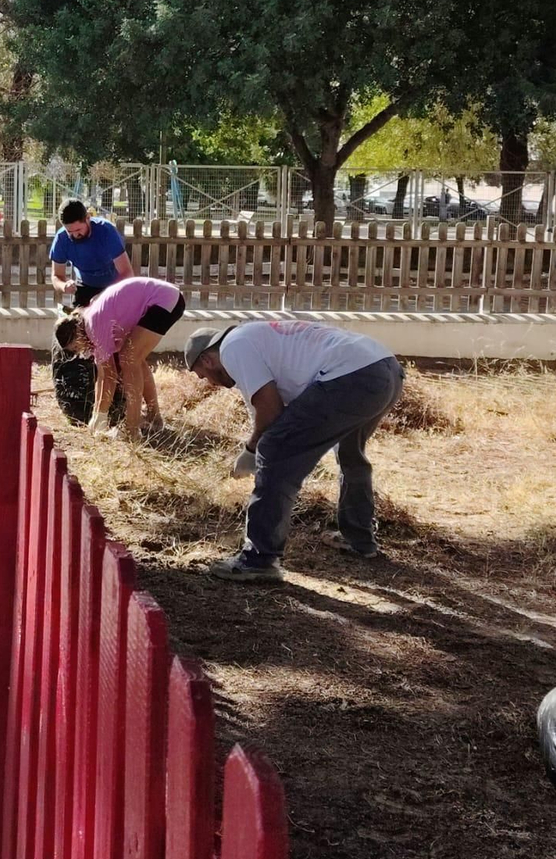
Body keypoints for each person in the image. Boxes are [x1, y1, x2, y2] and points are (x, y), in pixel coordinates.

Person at [184, 321, 404, 582]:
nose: (209, 383)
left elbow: (270, 411)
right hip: (385, 369)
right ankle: (359, 538)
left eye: (202, 375)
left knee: (274, 451)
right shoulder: (257, 337)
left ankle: (259, 558)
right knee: (349, 452)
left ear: (208, 360)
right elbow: (279, 409)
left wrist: (253, 449)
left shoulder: (233, 348)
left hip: (349, 378)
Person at [54, 276, 186, 438]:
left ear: (77, 335)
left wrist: (101, 416)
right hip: (165, 298)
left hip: (165, 300)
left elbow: (109, 376)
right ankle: (154, 418)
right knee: (134, 359)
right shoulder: (87, 324)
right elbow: (101, 377)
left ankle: (132, 429)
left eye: (76, 347)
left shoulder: (93, 325)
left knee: (129, 359)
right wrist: (96, 414)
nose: (80, 352)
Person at [49, 199, 134, 308]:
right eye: (70, 232)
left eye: (79, 229)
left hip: (114, 286)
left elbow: (127, 273)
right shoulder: (61, 239)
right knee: (77, 323)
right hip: (84, 286)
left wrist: (104, 295)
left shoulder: (106, 231)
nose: (75, 235)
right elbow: (56, 276)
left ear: (88, 218)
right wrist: (64, 285)